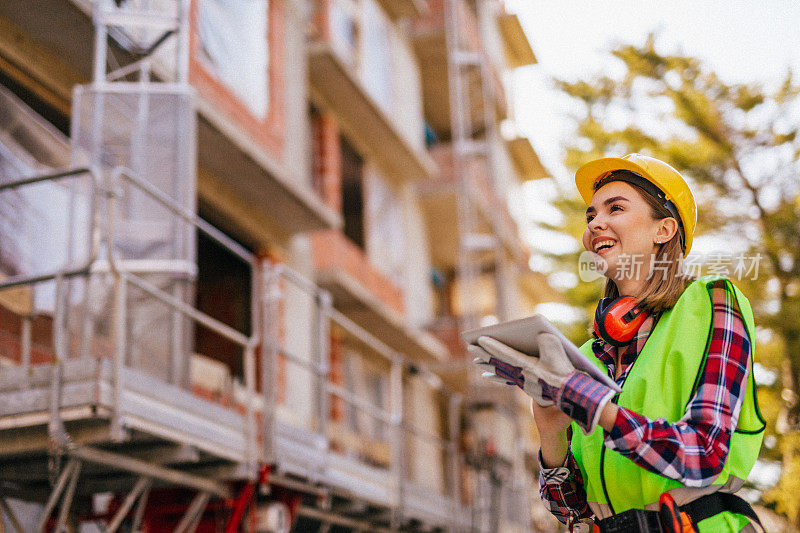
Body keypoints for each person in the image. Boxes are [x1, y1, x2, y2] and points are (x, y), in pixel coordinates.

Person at [470, 154, 765, 532]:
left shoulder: (712, 303)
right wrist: (550, 431)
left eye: (616, 208)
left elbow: (705, 452)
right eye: (591, 215)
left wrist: (597, 408)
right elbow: (572, 512)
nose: (596, 224)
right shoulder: (591, 356)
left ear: (665, 229)